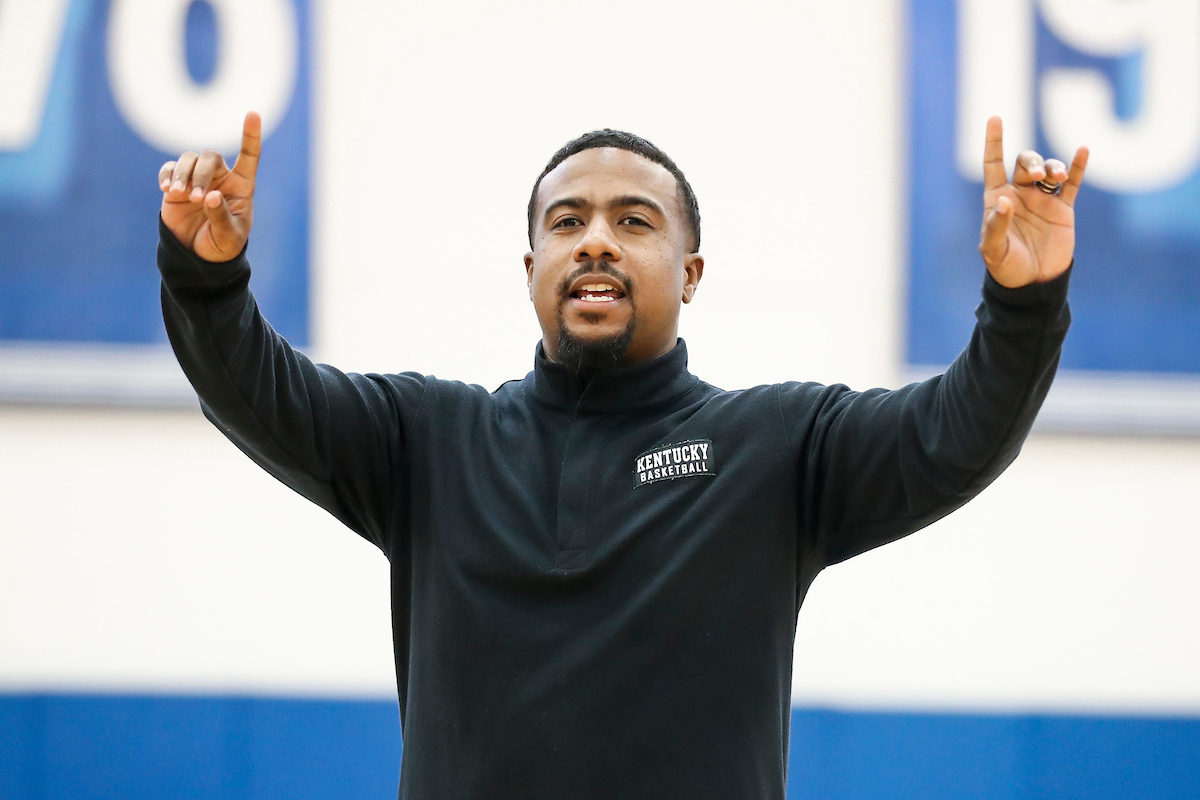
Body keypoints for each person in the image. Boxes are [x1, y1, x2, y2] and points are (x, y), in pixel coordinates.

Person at [156, 112, 1087, 799]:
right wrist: (206, 277)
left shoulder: (776, 449)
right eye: (566, 223)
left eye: (634, 221)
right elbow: (255, 390)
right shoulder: (428, 443)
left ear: (690, 272)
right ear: (532, 271)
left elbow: (957, 434)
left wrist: (1024, 302)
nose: (595, 238)